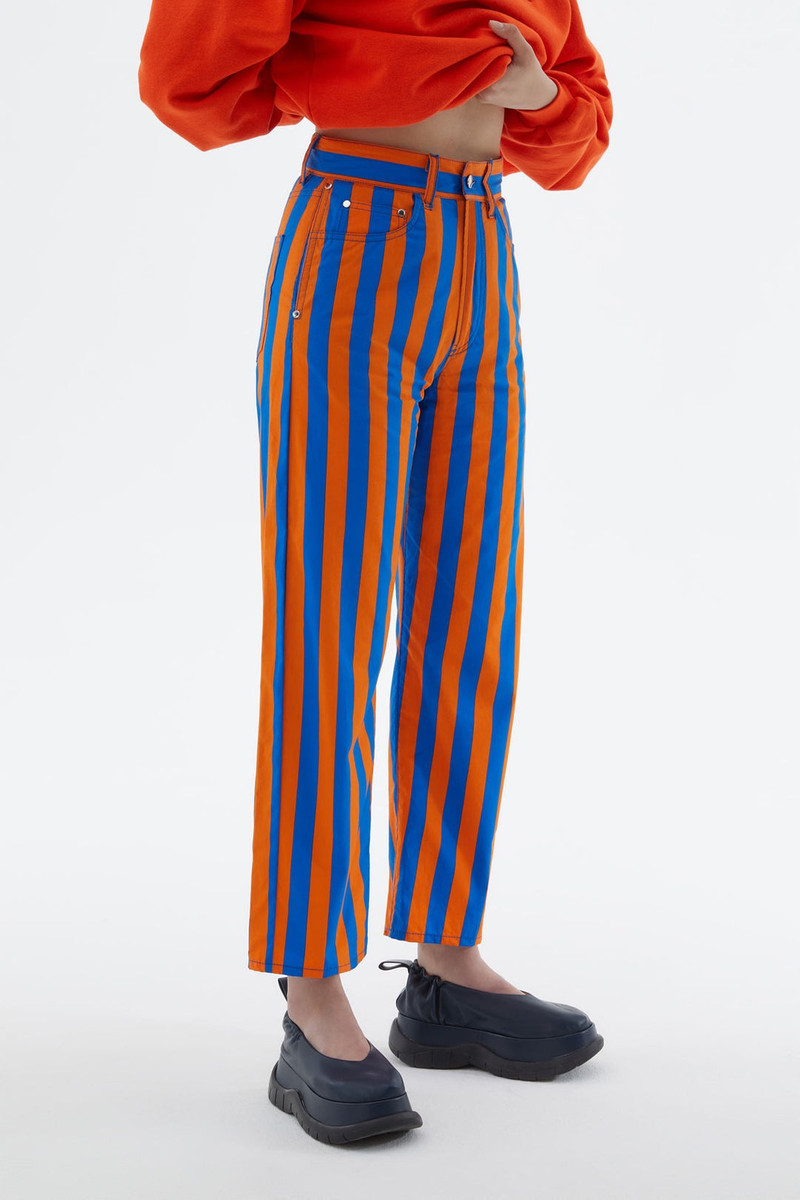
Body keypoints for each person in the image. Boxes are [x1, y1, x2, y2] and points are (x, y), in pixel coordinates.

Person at [138, 0, 613, 1144]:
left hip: (479, 245)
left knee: (470, 623)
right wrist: (362, 75)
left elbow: (581, 128)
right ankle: (309, 993)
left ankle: (445, 964)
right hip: (354, 235)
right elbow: (187, 84)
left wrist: (535, 97)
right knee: (329, 627)